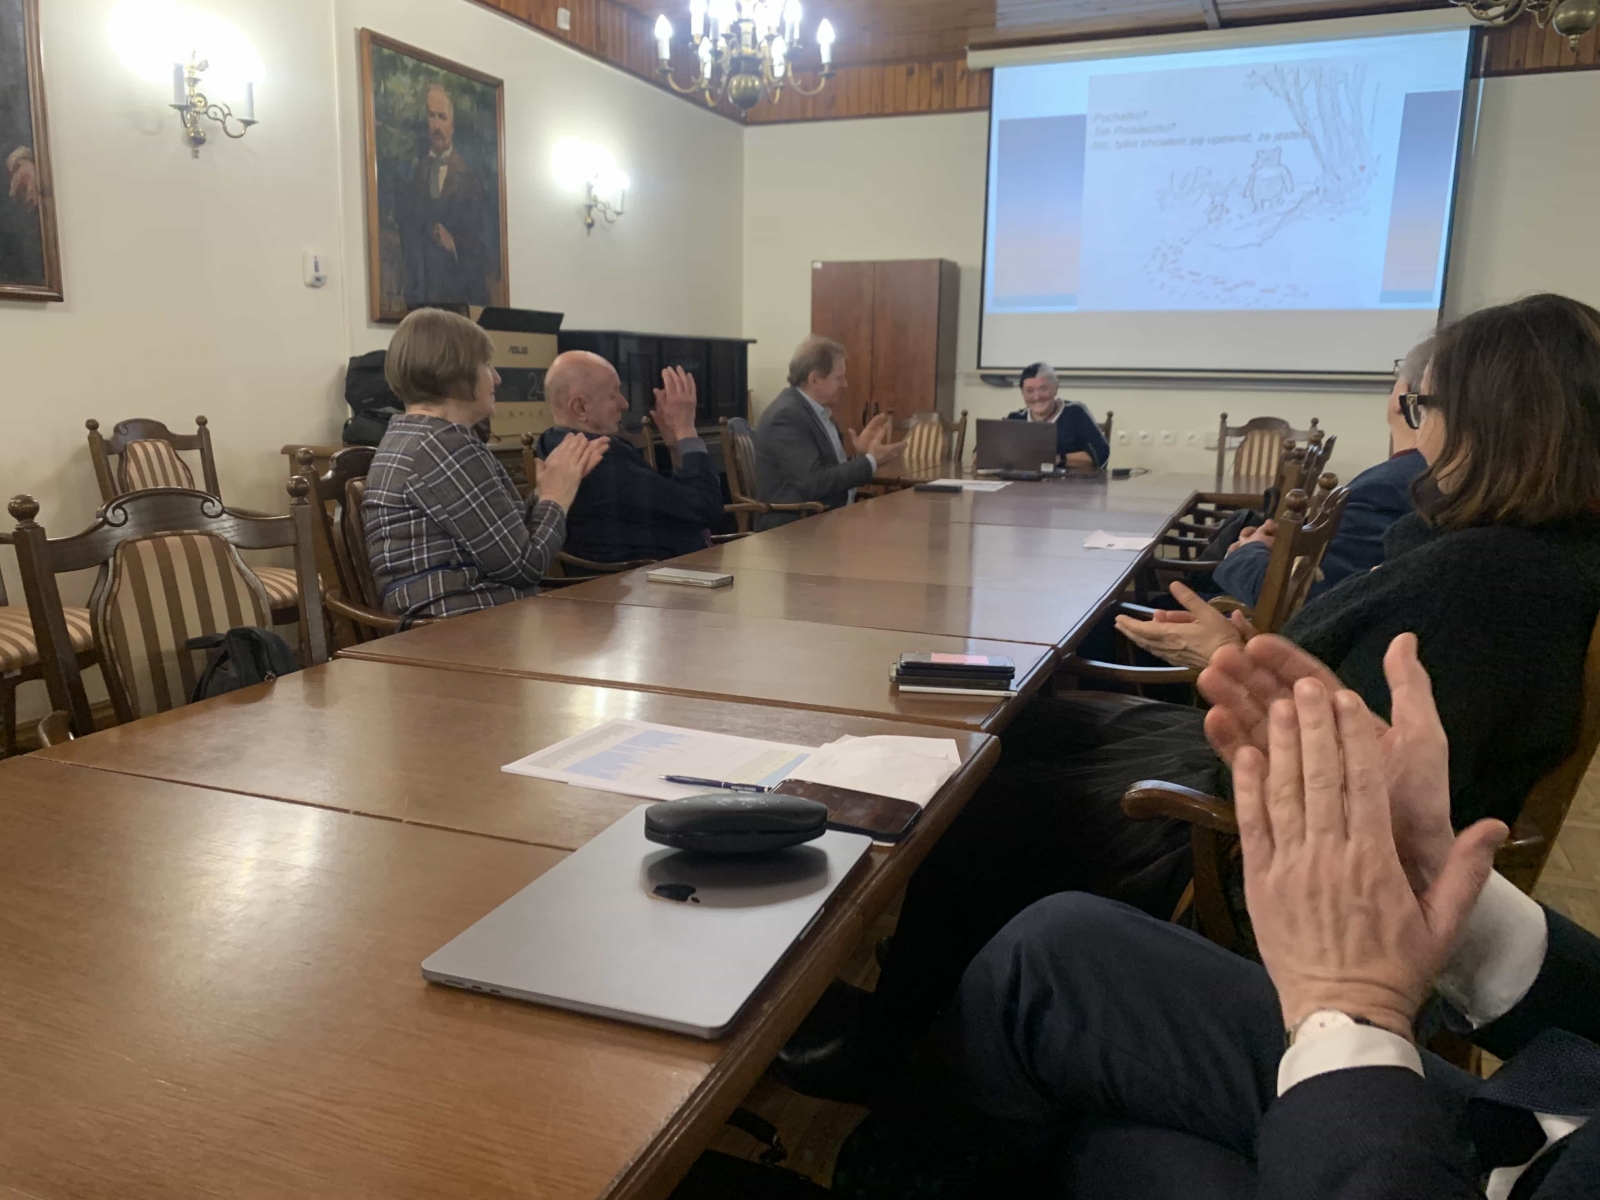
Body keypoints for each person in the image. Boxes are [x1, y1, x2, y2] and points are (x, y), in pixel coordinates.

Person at [777, 292, 1600, 1104]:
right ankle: (930, 993)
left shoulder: (1480, 584)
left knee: (977, 793)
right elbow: (1352, 706)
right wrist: (1245, 651)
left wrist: (1233, 656)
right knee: (1020, 726)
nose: (1416, 433)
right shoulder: (1513, 560)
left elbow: (1357, 767)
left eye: (1424, 408)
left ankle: (909, 1047)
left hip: (1241, 838)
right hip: (1262, 779)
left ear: (1492, 423)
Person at [850, 636, 1597, 1200]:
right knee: (1051, 952)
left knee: (1099, 1144)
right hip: (1548, 1121)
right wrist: (1438, 886)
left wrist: (1353, 1004)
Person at [364, 308, 607, 621]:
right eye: (486, 365)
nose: (497, 377)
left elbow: (502, 541)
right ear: (457, 371)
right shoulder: (444, 447)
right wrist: (557, 497)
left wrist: (547, 489)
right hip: (459, 627)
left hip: (464, 619)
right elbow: (526, 565)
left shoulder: (416, 437)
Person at [1212, 338, 1432, 607]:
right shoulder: (1427, 477)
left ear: (1402, 397)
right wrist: (1281, 548)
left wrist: (1248, 551)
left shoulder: (1385, 490)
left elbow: (1305, 599)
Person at [533, 351, 725, 563]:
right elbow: (706, 509)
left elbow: (681, 506)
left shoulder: (553, 444)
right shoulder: (598, 459)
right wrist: (686, 430)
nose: (624, 403)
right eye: (613, 394)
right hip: (647, 576)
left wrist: (674, 444)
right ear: (580, 407)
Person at [753, 336, 904, 530]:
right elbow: (814, 482)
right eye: (838, 378)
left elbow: (826, 473)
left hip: (827, 518)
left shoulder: (816, 411)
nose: (845, 384)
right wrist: (871, 461)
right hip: (795, 528)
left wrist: (861, 455)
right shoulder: (787, 417)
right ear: (814, 379)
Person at [396, 83, 492, 309]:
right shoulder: (417, 174)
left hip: (457, 296)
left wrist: (453, 243)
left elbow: (483, 246)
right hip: (422, 298)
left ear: (452, 125)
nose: (437, 125)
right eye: (432, 116)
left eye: (442, 117)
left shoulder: (470, 179)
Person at [1005, 362, 1109, 471]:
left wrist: (1059, 459)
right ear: (1022, 392)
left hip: (1070, 481)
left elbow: (1101, 455)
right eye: (1030, 391)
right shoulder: (1014, 419)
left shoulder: (1076, 413)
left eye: (1043, 389)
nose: (1037, 397)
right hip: (1022, 481)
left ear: (1056, 388)